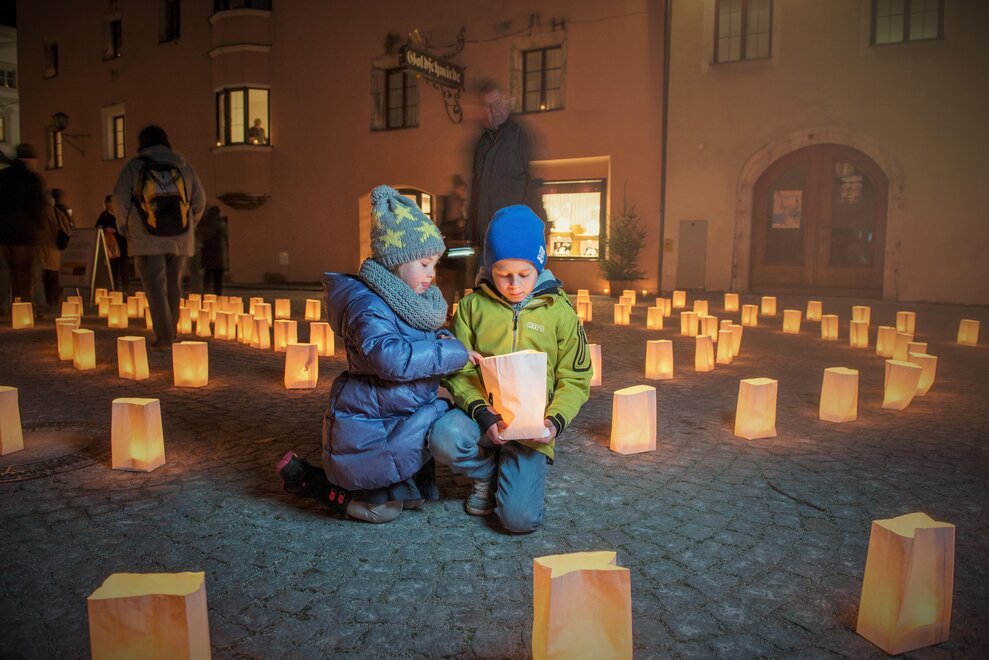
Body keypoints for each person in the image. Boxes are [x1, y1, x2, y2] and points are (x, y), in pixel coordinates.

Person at [276, 185, 469, 523]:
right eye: (424, 263)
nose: (432, 273)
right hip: (373, 420)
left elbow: (427, 339)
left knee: (412, 501)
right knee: (383, 510)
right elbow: (392, 358)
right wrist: (451, 352)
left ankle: (388, 486)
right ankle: (308, 480)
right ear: (396, 262)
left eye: (435, 264)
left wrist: (447, 343)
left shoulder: (412, 301)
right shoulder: (367, 307)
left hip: (401, 416)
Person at [429, 205, 592, 533]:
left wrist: (553, 422)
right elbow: (457, 368)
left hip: (532, 427)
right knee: (443, 437)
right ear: (490, 267)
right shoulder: (473, 307)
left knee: (519, 520)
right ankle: (485, 472)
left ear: (540, 266)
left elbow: (575, 377)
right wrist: (482, 413)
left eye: (524, 274)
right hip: (482, 416)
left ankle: (515, 469)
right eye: (503, 274)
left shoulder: (559, 311)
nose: (514, 284)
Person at [113, 125, 205, 350]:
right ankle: (170, 332)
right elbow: (199, 201)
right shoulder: (184, 167)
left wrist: (124, 227)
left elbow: (119, 199)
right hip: (180, 238)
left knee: (155, 286)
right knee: (174, 285)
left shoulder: (134, 167)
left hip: (146, 238)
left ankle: (164, 337)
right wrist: (188, 225)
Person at [467, 80, 545, 252]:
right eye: (488, 106)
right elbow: (476, 189)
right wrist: (473, 232)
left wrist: (534, 230)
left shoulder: (521, 135)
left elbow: (533, 183)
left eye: (498, 102)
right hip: (488, 235)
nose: (495, 110)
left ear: (508, 102)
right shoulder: (482, 142)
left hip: (514, 233)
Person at [0, 144, 46, 311]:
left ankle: (3, 307)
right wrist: (38, 230)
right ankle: (22, 309)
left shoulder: (2, 176)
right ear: (29, 160)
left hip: (2, 235)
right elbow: (38, 208)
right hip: (25, 236)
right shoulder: (32, 179)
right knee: (24, 274)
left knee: (4, 273)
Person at [38, 192, 73, 313]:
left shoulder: (37, 213)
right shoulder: (57, 213)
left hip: (39, 250)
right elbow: (68, 231)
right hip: (53, 250)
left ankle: (43, 302)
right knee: (53, 277)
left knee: (42, 279)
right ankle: (52, 302)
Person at [95, 195, 129, 292]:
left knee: (124, 269)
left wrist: (116, 230)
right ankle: (114, 290)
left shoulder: (120, 214)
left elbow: (126, 228)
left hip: (122, 245)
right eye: (109, 203)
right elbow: (98, 226)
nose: (111, 205)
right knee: (113, 269)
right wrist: (106, 229)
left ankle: (125, 290)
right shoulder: (104, 215)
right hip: (111, 247)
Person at [196, 205, 228, 295]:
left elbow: (206, 235)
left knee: (213, 280)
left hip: (214, 258)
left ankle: (211, 297)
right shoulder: (220, 223)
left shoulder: (216, 224)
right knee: (213, 280)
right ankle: (211, 296)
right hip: (215, 258)